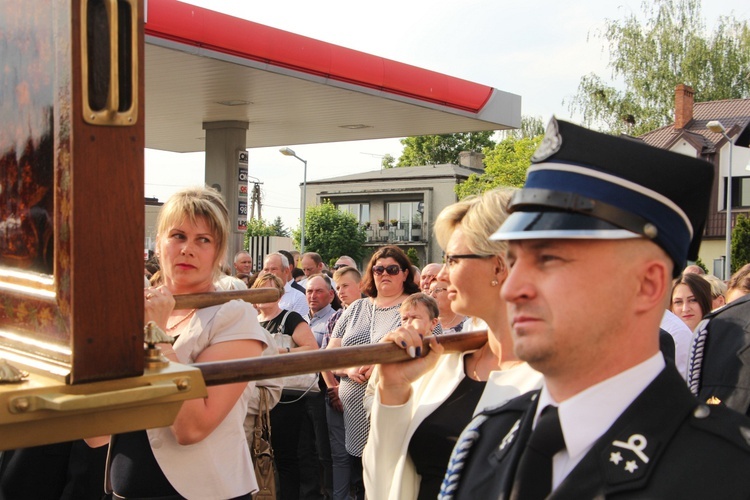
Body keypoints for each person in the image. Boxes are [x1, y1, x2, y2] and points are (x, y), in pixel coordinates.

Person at [441, 118, 750, 499]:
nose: (514, 289)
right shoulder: (486, 437)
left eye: (549, 259)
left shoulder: (726, 473)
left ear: (647, 284)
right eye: (515, 260)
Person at [363, 188, 542, 500]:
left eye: (452, 259)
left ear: (499, 267)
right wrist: (393, 389)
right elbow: (386, 479)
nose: (441, 275)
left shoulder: (555, 380)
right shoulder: (442, 362)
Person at [90, 186, 266, 499]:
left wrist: (155, 336)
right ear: (158, 244)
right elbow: (96, 432)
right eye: (178, 236)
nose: (187, 249)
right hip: (123, 489)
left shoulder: (234, 317)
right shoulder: (131, 312)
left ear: (218, 252)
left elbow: (192, 428)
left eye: (203, 240)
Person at [325, 245, 421, 499]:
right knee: (358, 476)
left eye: (392, 269)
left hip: (392, 407)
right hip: (350, 411)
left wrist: (380, 365)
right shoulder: (356, 308)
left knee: (389, 478)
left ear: (405, 274)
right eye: (378, 269)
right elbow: (330, 353)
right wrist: (347, 368)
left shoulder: (414, 307)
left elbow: (430, 347)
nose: (384, 274)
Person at [251, 272, 318, 500]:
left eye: (270, 291)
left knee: (285, 455)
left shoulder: (291, 319)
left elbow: (311, 348)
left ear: (280, 294)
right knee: (258, 453)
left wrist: (281, 352)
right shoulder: (249, 322)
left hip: (287, 397)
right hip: (256, 396)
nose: (265, 296)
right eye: (260, 290)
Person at [322, 265, 362, 500]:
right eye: (338, 288)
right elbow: (324, 358)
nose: (341, 292)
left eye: (345, 285)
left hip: (362, 392)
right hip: (335, 392)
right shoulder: (335, 318)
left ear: (360, 285)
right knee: (338, 455)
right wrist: (332, 388)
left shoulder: (372, 313)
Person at [301, 274, 338, 499]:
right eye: (308, 291)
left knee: (325, 451)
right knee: (304, 450)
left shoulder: (335, 320)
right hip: (300, 392)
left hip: (323, 392)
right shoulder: (299, 320)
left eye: (318, 291)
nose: (313, 296)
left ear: (331, 295)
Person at [261, 252, 308, 317]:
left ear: (286, 271)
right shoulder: (259, 296)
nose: (269, 273)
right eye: (266, 270)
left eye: (273, 269)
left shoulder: (298, 297)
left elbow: (302, 325)